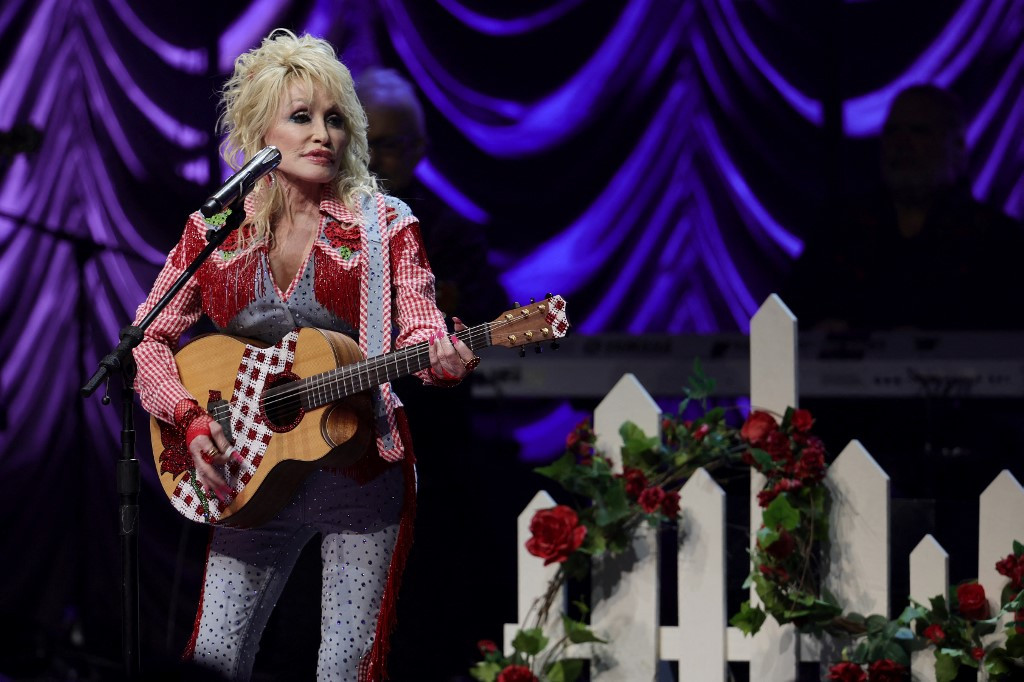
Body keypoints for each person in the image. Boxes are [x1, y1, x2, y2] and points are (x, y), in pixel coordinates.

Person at [132, 29, 480, 681]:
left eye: (336, 119)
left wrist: (440, 356)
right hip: (248, 465)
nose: (324, 134)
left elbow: (421, 322)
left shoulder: (386, 224)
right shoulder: (216, 229)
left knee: (345, 664)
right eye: (302, 118)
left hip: (361, 466)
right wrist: (191, 416)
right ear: (260, 132)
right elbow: (148, 337)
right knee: (215, 652)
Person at [788, 84, 1023, 331]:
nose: (901, 144)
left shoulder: (998, 240)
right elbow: (790, 314)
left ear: (958, 147)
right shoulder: (841, 231)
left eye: (918, 131)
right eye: (892, 131)